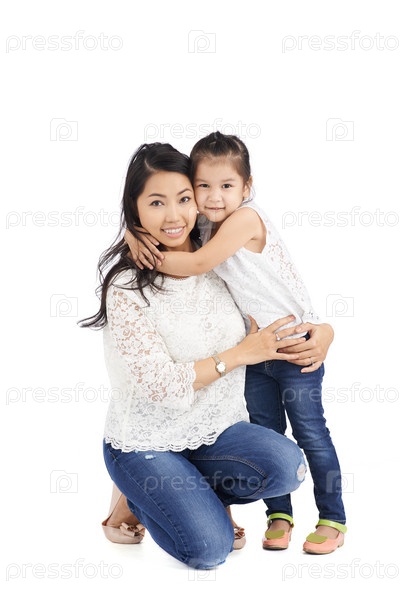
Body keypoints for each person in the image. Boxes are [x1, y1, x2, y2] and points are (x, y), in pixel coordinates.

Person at [79, 141, 310, 570]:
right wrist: (238, 355)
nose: (174, 215)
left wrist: (325, 331)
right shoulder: (127, 287)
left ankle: (189, 491)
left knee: (288, 466)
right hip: (146, 441)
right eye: (156, 203)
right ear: (135, 208)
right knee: (209, 550)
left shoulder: (216, 255)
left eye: (184, 198)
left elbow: (275, 291)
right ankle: (133, 494)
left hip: (213, 431)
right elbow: (162, 385)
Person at [125, 132, 346, 555]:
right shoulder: (205, 224)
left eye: (226, 185)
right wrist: (132, 231)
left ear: (246, 187)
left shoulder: (245, 218)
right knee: (267, 433)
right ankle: (279, 516)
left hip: (294, 347)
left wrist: (139, 250)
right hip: (256, 352)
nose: (214, 196)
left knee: (311, 433)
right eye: (203, 186)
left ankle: (333, 518)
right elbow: (167, 224)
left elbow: (197, 263)